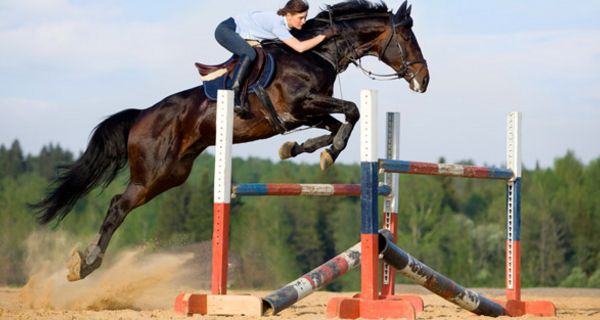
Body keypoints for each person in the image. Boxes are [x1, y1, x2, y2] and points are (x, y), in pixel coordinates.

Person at [214, 0, 335, 116]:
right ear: (288, 14)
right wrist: (323, 36)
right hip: (225, 30)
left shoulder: (283, 22)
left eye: (305, 17)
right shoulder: (278, 25)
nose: (303, 21)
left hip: (237, 30)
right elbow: (300, 47)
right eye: (300, 18)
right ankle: (235, 94)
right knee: (250, 54)